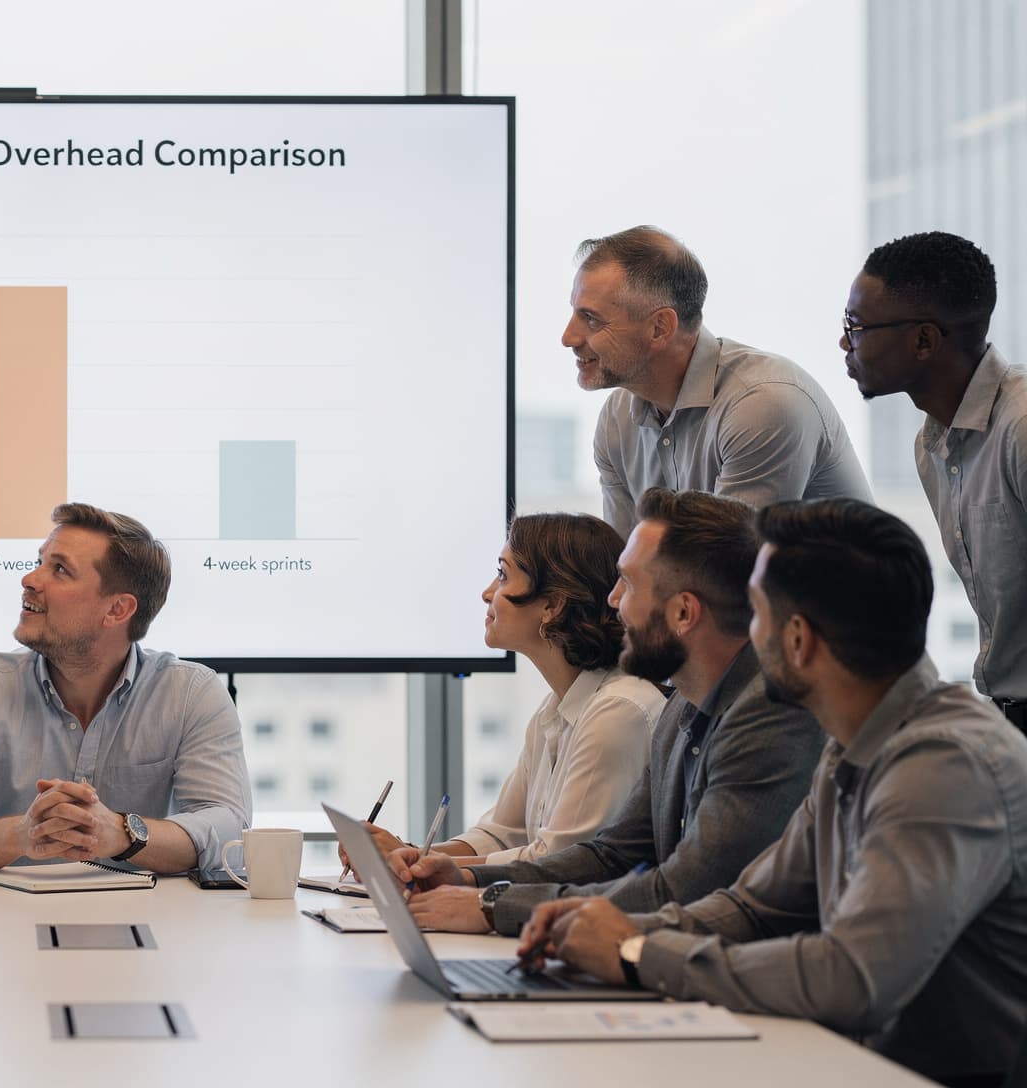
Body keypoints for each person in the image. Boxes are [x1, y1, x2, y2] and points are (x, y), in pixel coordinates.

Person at [519, 498, 1027, 1085]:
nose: (742, 634)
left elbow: (851, 977)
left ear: (797, 640)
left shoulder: (945, 766)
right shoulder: (855, 743)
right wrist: (607, 929)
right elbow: (752, 908)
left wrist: (637, 955)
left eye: (755, 614)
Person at [393, 489, 826, 937]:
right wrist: (468, 879)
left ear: (683, 612)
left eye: (629, 584)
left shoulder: (768, 717)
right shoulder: (683, 707)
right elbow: (612, 854)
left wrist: (493, 905)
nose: (614, 600)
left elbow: (685, 889)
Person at [0, 503, 251, 874]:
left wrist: (124, 833)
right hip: (4, 909)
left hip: (149, 907)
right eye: (39, 562)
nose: (30, 579)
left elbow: (230, 832)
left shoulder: (192, 694)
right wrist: (23, 834)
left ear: (117, 610)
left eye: (60, 570)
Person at [341, 514, 664, 870]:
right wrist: (409, 856)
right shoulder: (555, 710)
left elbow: (557, 861)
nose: (487, 593)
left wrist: (426, 866)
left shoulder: (618, 711)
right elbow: (501, 835)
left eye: (503, 575)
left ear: (553, 605)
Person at [570, 225, 871, 536]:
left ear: (660, 328)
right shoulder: (616, 418)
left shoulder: (763, 403)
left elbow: (728, 562)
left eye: (591, 318)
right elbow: (626, 560)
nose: (568, 337)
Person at [842, 231, 1027, 733]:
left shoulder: (1019, 427)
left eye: (855, 326)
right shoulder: (931, 447)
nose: (844, 343)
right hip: (1006, 716)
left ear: (924, 340)